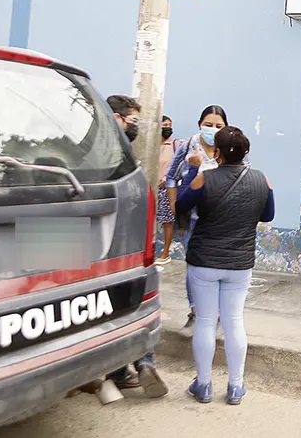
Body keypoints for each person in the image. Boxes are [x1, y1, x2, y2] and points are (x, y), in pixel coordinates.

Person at [176, 126, 274, 405]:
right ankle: (235, 387)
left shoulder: (204, 179)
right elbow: (268, 214)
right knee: (234, 322)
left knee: (206, 321)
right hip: (240, 263)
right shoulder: (261, 180)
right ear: (247, 152)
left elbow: (181, 206)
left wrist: (193, 170)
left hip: (204, 261)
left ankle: (204, 385)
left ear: (216, 152)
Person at [104, 95, 168, 398]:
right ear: (115, 118)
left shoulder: (118, 154)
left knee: (126, 305)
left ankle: (128, 367)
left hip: (125, 247)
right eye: (132, 119)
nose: (136, 126)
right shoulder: (108, 156)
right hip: (117, 249)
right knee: (134, 304)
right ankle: (138, 362)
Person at [165, 105, 249, 328]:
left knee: (217, 267)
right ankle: (196, 311)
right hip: (190, 218)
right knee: (194, 266)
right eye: (208, 125)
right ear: (199, 125)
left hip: (220, 219)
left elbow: (241, 176)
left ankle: (217, 313)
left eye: (218, 126)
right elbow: (171, 177)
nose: (212, 129)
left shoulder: (230, 148)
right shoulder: (187, 146)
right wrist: (175, 206)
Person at [156, 115, 182, 265]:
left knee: (167, 222)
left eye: (169, 125)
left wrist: (167, 180)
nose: (167, 128)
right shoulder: (153, 147)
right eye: (164, 125)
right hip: (152, 188)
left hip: (167, 189)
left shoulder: (176, 145)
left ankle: (165, 252)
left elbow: (179, 167)